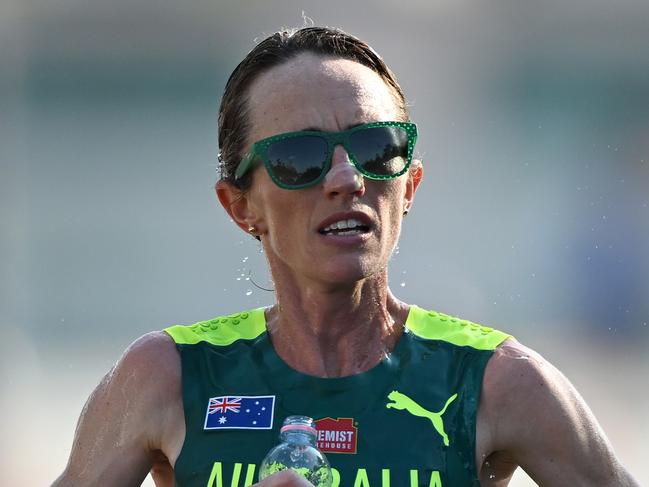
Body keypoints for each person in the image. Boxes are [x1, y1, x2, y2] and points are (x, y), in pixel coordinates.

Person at [53, 26, 639, 487]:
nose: (345, 178)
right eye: (300, 156)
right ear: (239, 206)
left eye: (375, 148)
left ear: (408, 187)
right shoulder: (166, 377)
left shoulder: (497, 381)